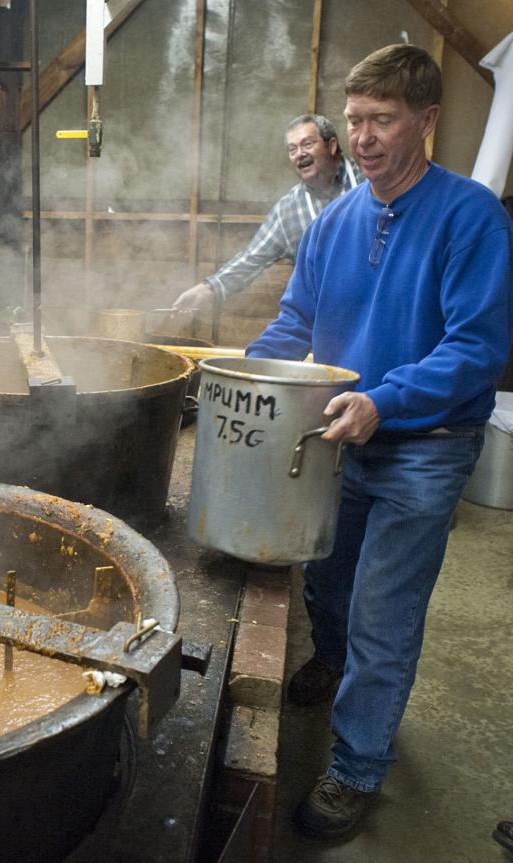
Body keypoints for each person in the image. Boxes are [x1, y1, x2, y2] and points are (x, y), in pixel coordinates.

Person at [246, 45, 512, 838]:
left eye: (381, 120)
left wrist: (384, 400)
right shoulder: (334, 222)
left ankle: (356, 768)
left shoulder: (470, 216)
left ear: (426, 121)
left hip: (425, 445)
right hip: (341, 434)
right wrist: (243, 375)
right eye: (355, 119)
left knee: (383, 613)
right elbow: (296, 320)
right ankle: (330, 659)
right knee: (326, 581)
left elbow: (475, 349)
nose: (362, 137)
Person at [173, 113, 361, 310]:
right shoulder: (289, 210)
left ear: (331, 146)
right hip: (330, 317)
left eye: (307, 144)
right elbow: (252, 258)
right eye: (292, 149)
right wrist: (208, 289)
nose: (300, 154)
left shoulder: (370, 179)